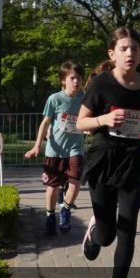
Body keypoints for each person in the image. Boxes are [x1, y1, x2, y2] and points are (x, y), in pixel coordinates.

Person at [76, 27, 140, 278]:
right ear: (112, 54)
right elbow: (81, 123)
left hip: (132, 160)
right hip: (104, 159)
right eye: (124, 49)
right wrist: (105, 119)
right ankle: (94, 232)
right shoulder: (101, 84)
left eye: (135, 49)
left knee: (128, 231)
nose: (130, 53)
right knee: (108, 235)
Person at [24, 61, 86, 235]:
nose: (76, 81)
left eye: (79, 78)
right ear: (63, 80)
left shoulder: (85, 98)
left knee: (75, 182)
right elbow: (45, 123)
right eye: (72, 78)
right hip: (55, 150)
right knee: (53, 186)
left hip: (76, 148)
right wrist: (37, 146)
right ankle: (50, 216)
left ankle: (65, 209)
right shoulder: (55, 99)